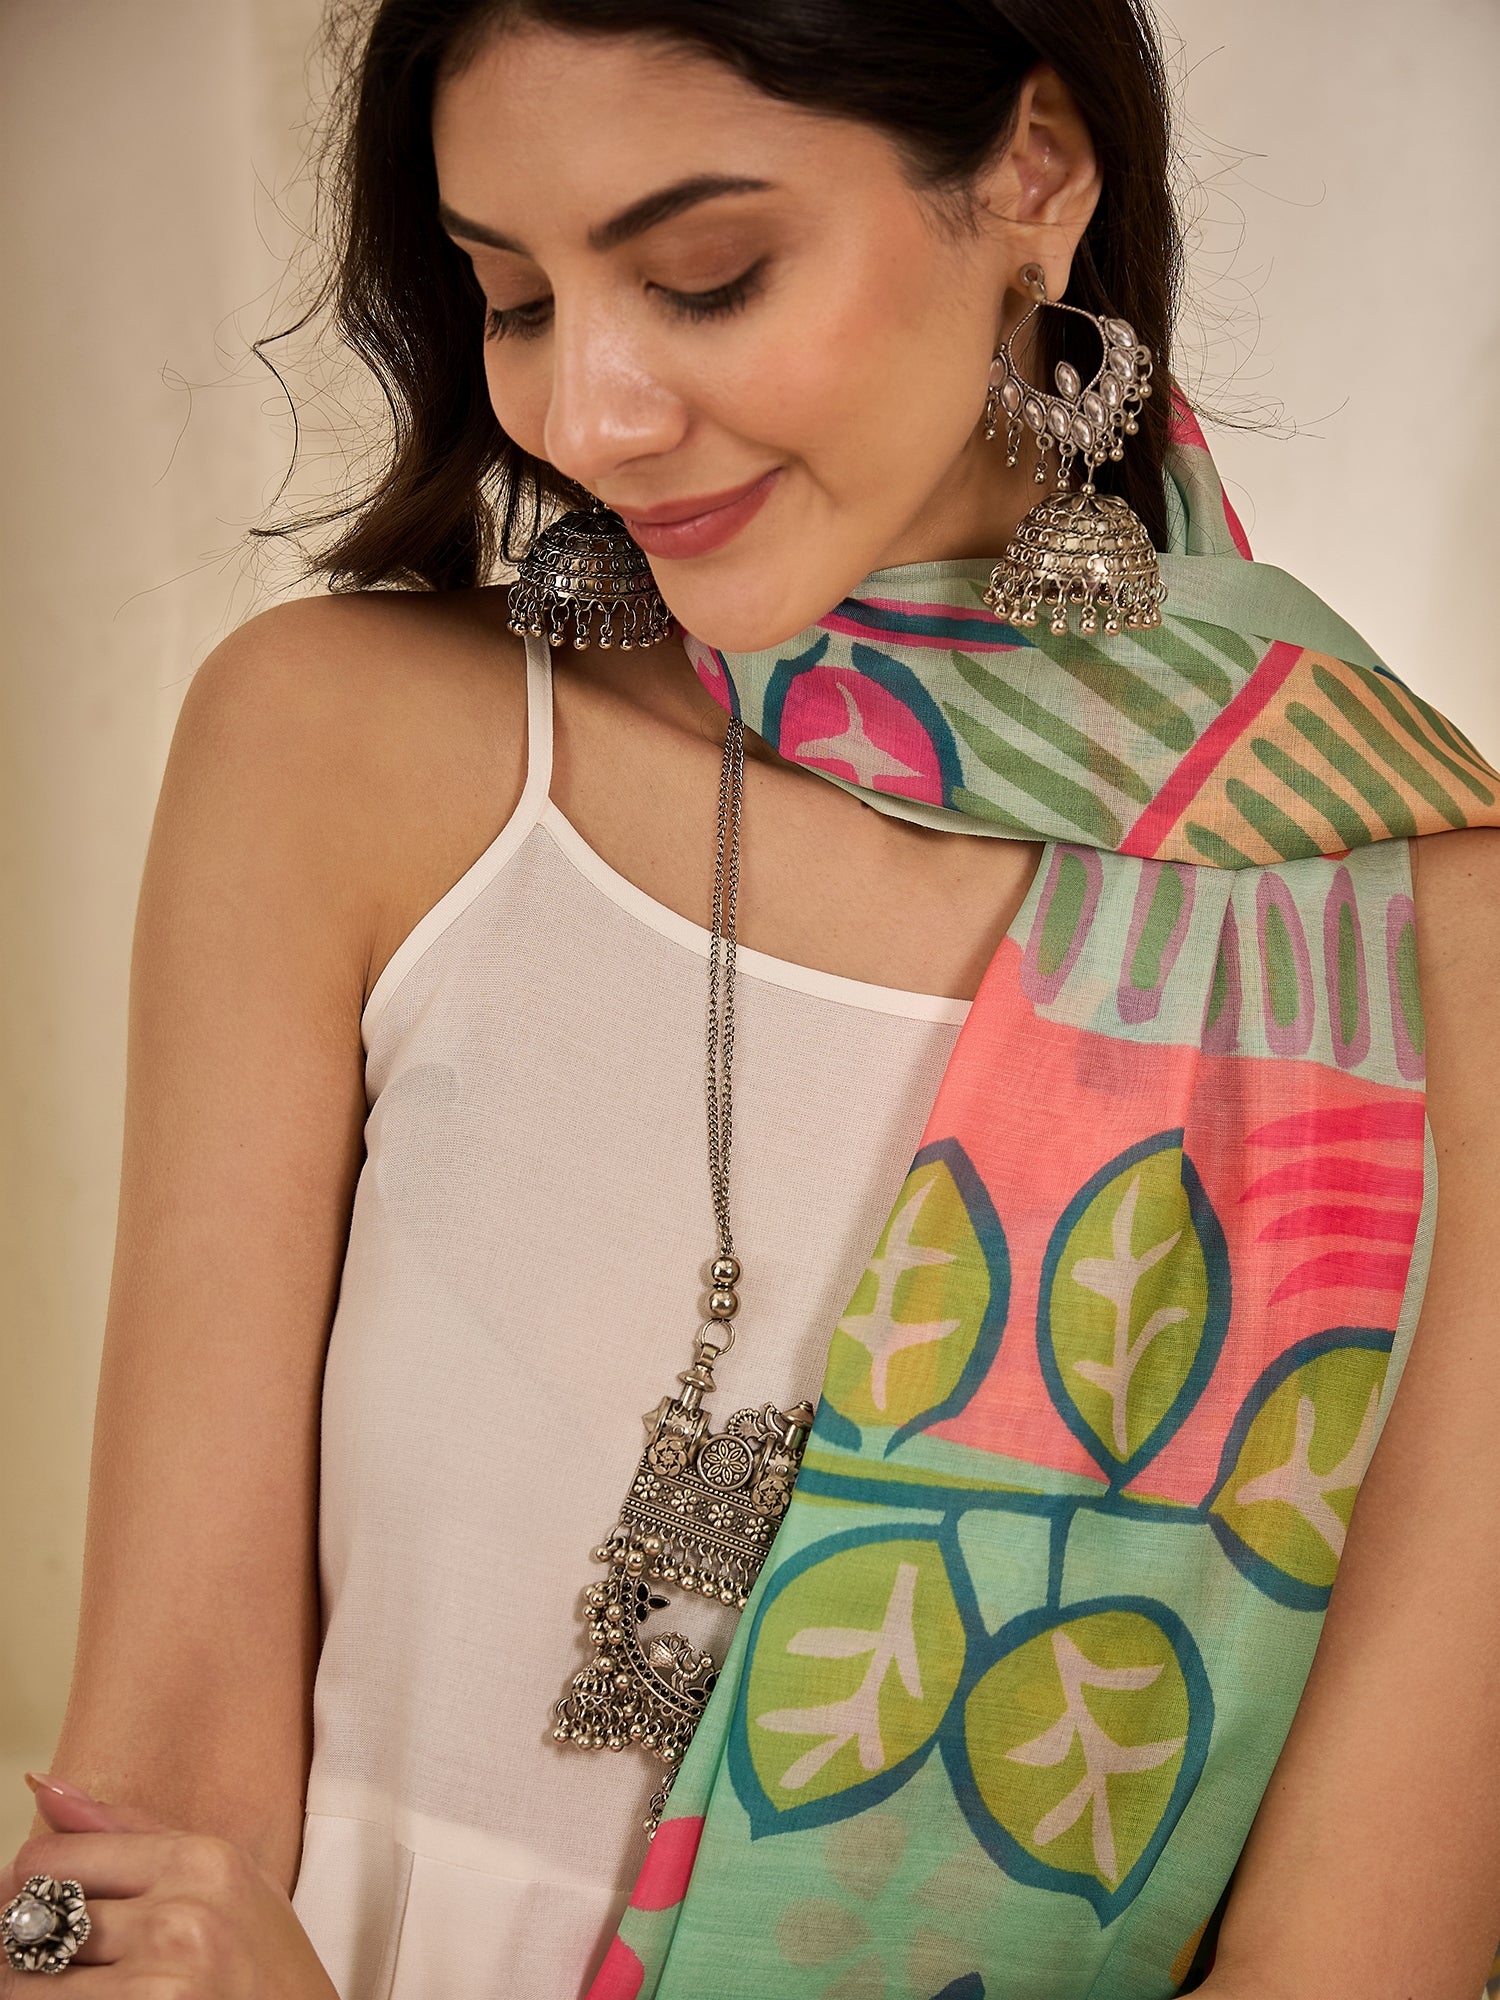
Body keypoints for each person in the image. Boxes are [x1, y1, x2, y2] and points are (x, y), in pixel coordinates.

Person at [5, 1, 1500, 1996]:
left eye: (704, 277)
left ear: (1037, 176)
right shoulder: (349, 755)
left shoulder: (1420, 951)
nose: (591, 415)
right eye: (514, 298)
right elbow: (134, 1840)